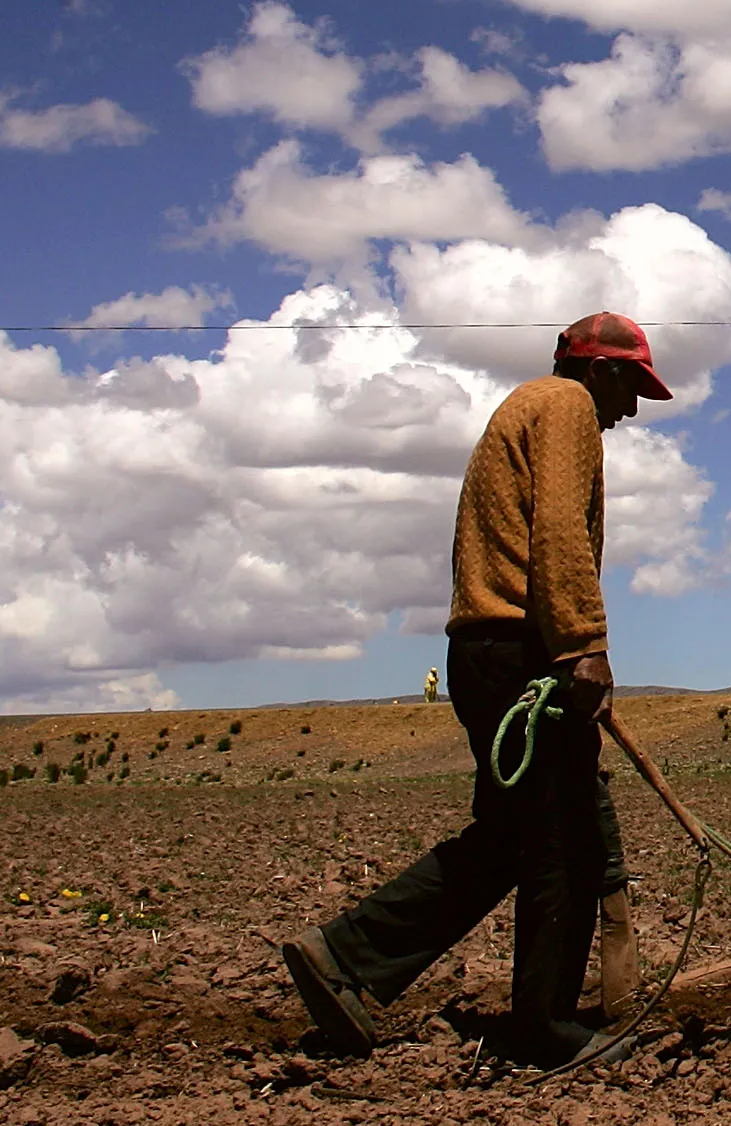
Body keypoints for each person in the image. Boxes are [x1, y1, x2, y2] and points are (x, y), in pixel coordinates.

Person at [282, 312, 668, 1071]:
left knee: (506, 840)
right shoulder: (566, 408)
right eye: (631, 388)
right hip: (524, 651)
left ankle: (348, 958)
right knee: (566, 845)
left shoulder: (526, 407)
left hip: (488, 652)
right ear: (603, 372)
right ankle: (546, 1029)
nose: (630, 411)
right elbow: (557, 529)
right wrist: (583, 644)